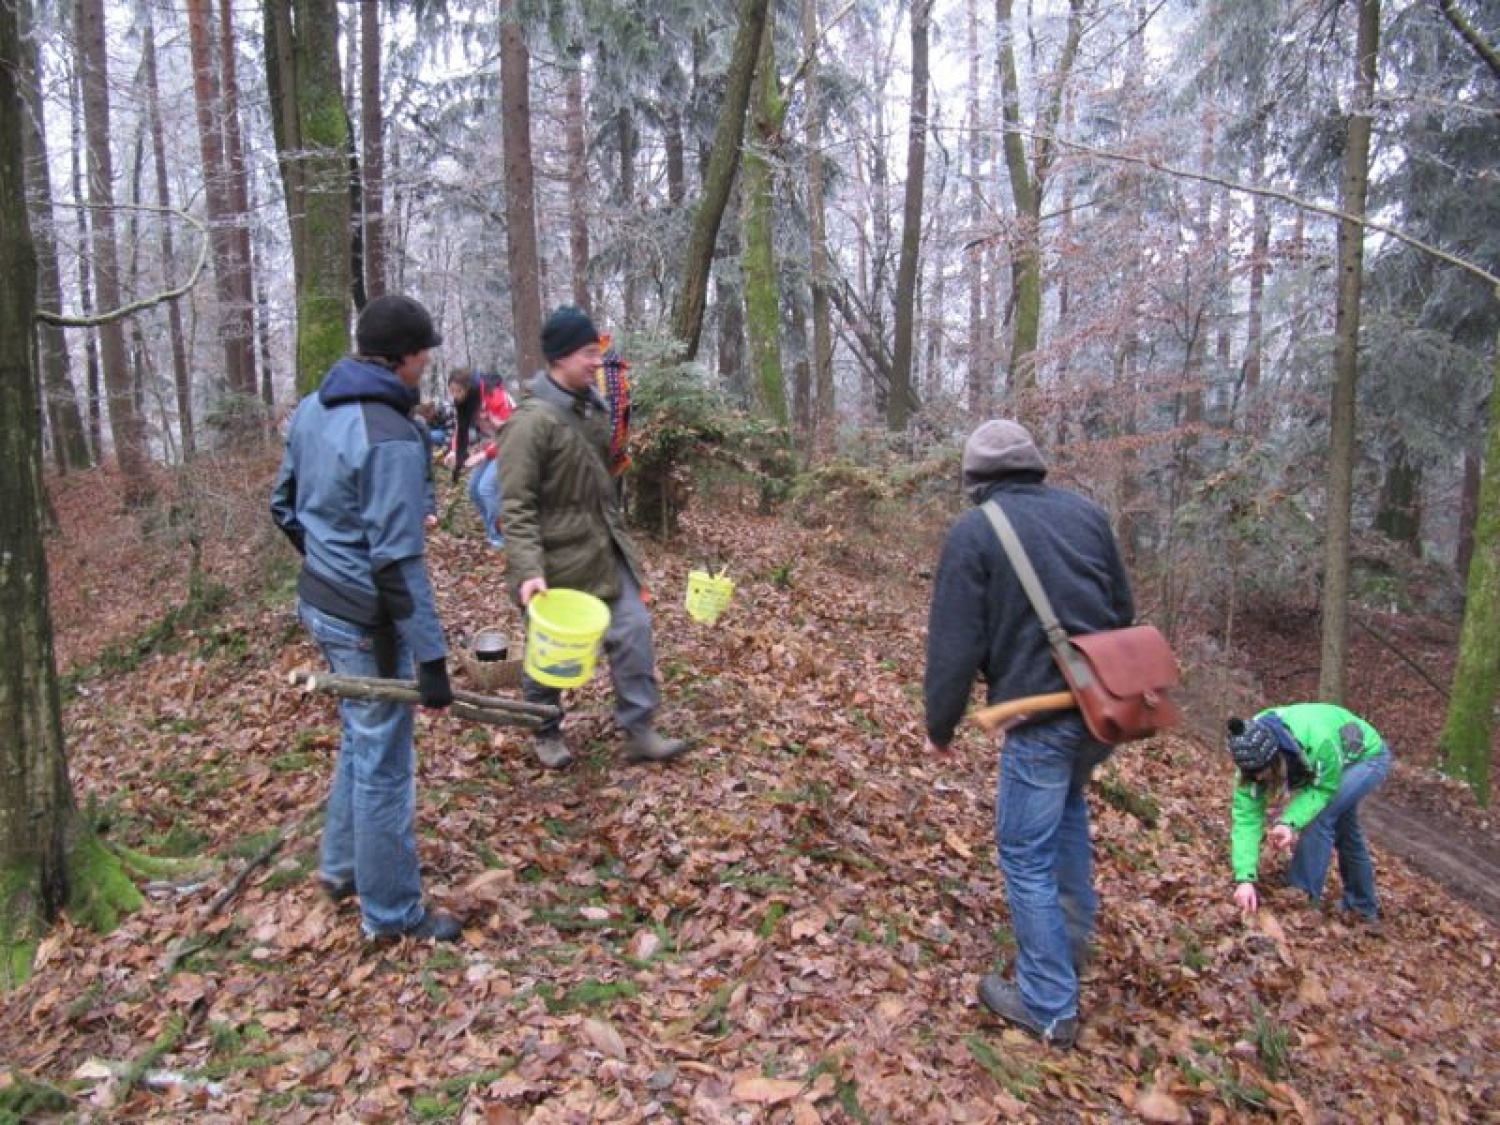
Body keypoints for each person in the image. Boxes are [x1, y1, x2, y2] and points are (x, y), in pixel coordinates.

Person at [924, 419, 1135, 1049]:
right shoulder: (1088, 516)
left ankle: (1047, 1002)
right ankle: (1066, 948)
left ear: (975, 480)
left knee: (1023, 852)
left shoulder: (975, 532)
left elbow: (955, 641)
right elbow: (1121, 613)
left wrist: (940, 725)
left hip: (1039, 717)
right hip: (1101, 711)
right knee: (1064, 816)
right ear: (1034, 466)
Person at [271, 293, 462, 943]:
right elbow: (398, 566)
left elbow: (284, 506)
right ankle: (391, 914)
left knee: (362, 734)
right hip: (364, 617)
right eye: (425, 352)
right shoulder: (388, 434)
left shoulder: (311, 408)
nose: (429, 362)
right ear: (405, 358)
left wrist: (327, 560)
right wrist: (431, 659)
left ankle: (341, 866)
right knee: (384, 757)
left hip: (320, 601)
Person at [497, 304, 687, 770]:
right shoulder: (530, 424)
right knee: (551, 656)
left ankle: (639, 731)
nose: (595, 361)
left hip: (605, 546)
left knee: (634, 630)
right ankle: (544, 730)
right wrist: (528, 572)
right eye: (586, 353)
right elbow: (516, 506)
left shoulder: (595, 407)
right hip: (556, 560)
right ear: (560, 358)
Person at [1227, 704, 1391, 923]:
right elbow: (1246, 819)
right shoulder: (1249, 750)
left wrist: (1289, 822)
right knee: (1346, 830)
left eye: (1263, 772)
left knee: (1320, 818)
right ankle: (1363, 906)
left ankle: (1301, 898)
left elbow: (1322, 789)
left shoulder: (1318, 742)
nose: (1258, 779)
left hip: (1366, 757)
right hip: (1334, 757)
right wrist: (1244, 878)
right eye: (1252, 774)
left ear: (1278, 758)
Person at [444, 371, 513, 548]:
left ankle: (503, 535)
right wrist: (454, 452)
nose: (455, 396)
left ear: (468, 388)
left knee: (486, 488)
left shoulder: (495, 396)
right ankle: (493, 533)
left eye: (458, 391)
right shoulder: (466, 403)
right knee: (474, 489)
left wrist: (484, 455)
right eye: (452, 392)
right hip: (491, 446)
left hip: (510, 445)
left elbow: (509, 433)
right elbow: (461, 428)